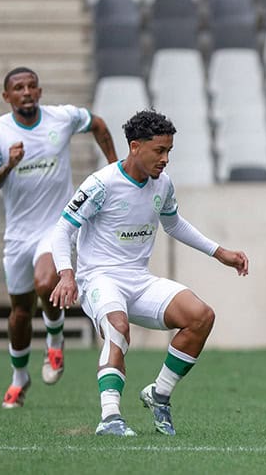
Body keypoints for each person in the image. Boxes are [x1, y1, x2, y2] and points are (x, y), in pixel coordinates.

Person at [49, 109, 249, 437]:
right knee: (118, 329)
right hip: (99, 278)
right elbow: (62, 230)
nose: (165, 159)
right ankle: (110, 417)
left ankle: (160, 394)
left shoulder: (163, 184)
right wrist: (66, 274)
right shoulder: (101, 184)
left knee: (200, 316)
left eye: (169, 151)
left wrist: (219, 252)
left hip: (139, 280)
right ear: (135, 147)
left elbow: (174, 224)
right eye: (159, 150)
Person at [0, 67, 118, 409]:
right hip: (18, 235)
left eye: (31, 86)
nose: (26, 91)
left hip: (56, 227)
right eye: (18, 87)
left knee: (45, 282)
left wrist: (114, 169)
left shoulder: (62, 118)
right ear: (6, 96)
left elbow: (98, 124)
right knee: (20, 312)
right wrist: (8, 165)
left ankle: (55, 339)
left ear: (39, 92)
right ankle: (19, 379)